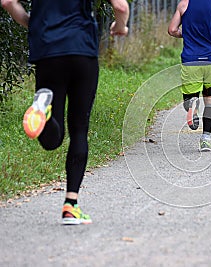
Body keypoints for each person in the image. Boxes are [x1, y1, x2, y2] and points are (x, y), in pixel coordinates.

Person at [1, 0, 129, 225]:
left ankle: (43, 110)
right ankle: (71, 206)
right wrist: (120, 27)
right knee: (79, 130)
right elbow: (120, 6)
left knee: (52, 141)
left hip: (48, 53)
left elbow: (8, 2)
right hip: (82, 52)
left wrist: (33, 23)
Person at [168, 0, 211, 152]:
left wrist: (186, 34)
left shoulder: (183, 5)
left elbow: (172, 30)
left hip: (190, 59)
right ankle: (206, 138)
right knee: (210, 98)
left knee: (190, 98)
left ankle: (192, 107)